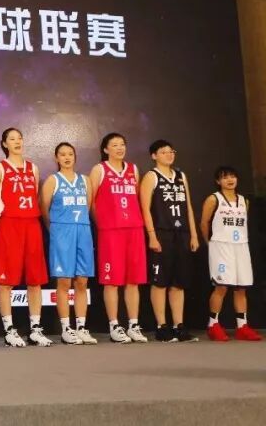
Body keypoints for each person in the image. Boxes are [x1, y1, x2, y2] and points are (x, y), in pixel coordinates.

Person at [0, 128, 52, 347]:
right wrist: (1, 226)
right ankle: (9, 329)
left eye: (19, 138)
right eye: (12, 139)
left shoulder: (33, 168)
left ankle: (35, 328)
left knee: (35, 279)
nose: (17, 142)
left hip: (31, 224)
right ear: (4, 144)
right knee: (6, 281)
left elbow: (35, 197)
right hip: (10, 224)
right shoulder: (0, 168)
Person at [89, 132, 148, 343]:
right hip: (111, 231)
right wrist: (102, 223)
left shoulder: (133, 169)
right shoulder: (99, 170)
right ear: (106, 149)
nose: (119, 148)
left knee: (133, 280)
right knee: (112, 281)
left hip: (134, 228)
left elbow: (137, 198)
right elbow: (90, 200)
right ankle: (114, 325)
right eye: (114, 145)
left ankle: (133, 324)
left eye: (122, 144)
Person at [139, 140, 198, 342]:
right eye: (163, 152)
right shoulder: (151, 176)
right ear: (154, 156)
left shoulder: (181, 176)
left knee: (178, 282)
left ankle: (178, 326)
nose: (169, 154)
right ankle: (161, 326)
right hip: (162, 233)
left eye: (171, 151)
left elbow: (188, 206)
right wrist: (152, 235)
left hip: (181, 233)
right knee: (160, 281)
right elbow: (145, 208)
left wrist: (193, 234)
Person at [40, 142, 97, 345]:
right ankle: (66, 328)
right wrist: (55, 230)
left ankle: (81, 326)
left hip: (83, 230)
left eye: (70, 154)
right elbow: (44, 209)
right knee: (64, 282)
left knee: (82, 281)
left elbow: (88, 206)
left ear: (75, 156)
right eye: (62, 154)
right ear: (56, 158)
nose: (67, 157)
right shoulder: (52, 180)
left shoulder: (85, 181)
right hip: (62, 231)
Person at [201, 166, 262, 342]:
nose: (230, 180)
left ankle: (242, 326)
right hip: (221, 246)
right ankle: (213, 324)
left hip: (241, 246)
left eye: (233, 176)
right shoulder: (214, 199)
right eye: (225, 177)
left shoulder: (244, 201)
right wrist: (210, 243)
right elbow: (204, 223)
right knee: (221, 286)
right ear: (218, 181)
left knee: (241, 287)